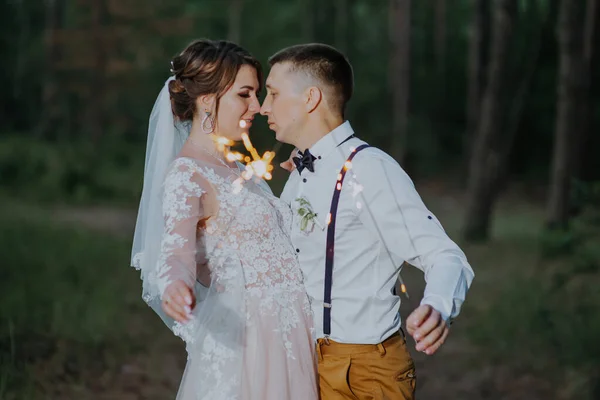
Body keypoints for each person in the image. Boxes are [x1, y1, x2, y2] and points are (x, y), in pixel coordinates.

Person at [260, 43, 475, 399]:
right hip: (301, 362)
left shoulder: (369, 169)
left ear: (311, 98)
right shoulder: (299, 171)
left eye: (273, 93)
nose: (264, 106)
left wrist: (437, 305)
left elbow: (444, 255)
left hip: (362, 372)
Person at [130, 39, 318, 400]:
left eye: (258, 94)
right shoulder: (187, 175)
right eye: (244, 94)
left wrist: (306, 177)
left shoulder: (239, 168)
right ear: (206, 101)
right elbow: (176, 251)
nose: (258, 106)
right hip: (251, 341)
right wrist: (175, 286)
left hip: (291, 333)